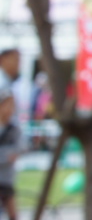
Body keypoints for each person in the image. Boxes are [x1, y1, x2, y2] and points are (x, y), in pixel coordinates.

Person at [0, 89, 25, 220]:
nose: (10, 109)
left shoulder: (13, 129)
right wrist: (7, 155)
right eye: (7, 104)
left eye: (12, 105)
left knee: (13, 214)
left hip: (7, 178)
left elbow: (18, 149)